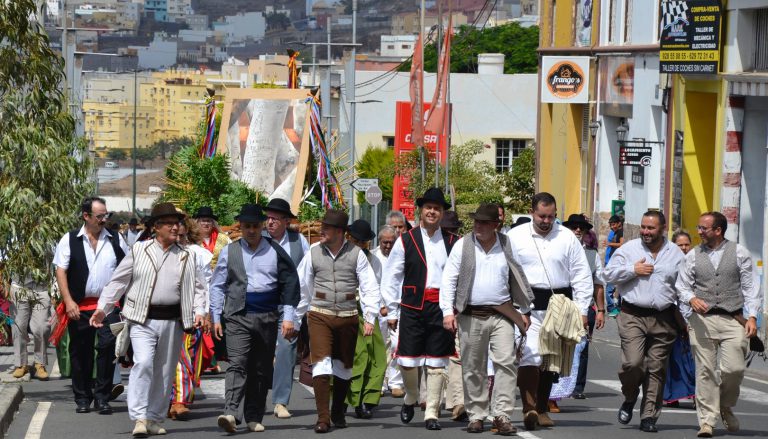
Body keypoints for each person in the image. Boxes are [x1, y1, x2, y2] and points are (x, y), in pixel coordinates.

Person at [90, 202, 207, 437]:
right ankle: (140, 417)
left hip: (173, 321)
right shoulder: (139, 250)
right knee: (143, 363)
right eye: (170, 224)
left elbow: (199, 288)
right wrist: (102, 308)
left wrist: (200, 312)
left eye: (177, 223)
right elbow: (118, 281)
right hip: (142, 320)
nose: (176, 228)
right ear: (156, 227)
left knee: (164, 371)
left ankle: (154, 417)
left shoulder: (186, 256)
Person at [440, 203, 533, 435]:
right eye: (476, 222)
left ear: (496, 225)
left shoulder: (506, 243)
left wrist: (524, 309)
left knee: (506, 363)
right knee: (473, 368)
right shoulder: (463, 245)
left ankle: (502, 415)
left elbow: (517, 275)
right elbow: (449, 279)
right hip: (471, 315)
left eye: (484, 222)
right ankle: (477, 415)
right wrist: (447, 312)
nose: (478, 226)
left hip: (502, 313)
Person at [209, 204, 301, 433]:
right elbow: (217, 286)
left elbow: (289, 284)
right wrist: (216, 316)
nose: (251, 230)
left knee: (260, 369)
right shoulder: (229, 252)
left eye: (255, 226)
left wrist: (288, 317)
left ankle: (253, 415)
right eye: (246, 226)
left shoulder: (275, 251)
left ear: (262, 227)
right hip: (237, 316)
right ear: (240, 227)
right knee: (238, 364)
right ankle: (230, 412)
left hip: (267, 317)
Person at [506, 193, 592, 431]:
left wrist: (583, 310)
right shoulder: (515, 236)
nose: (546, 221)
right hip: (525, 307)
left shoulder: (567, 238)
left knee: (549, 360)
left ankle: (542, 408)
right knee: (530, 355)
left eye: (551, 217)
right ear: (532, 212)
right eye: (541, 216)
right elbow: (505, 270)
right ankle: (529, 408)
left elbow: (581, 275)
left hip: (559, 307)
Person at [676, 211, 761, 438]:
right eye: (699, 227)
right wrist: (691, 299)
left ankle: (725, 405)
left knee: (734, 369)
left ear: (718, 230)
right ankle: (707, 421)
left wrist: (752, 316)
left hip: (733, 318)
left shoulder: (739, 252)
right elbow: (682, 285)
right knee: (705, 372)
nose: (699, 232)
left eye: (703, 228)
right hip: (702, 320)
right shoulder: (693, 255)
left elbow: (751, 286)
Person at [295, 209, 380, 433]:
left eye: (327, 228)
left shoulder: (357, 254)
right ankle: (323, 418)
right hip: (319, 314)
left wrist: (370, 316)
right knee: (321, 364)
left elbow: (369, 286)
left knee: (343, 368)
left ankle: (338, 411)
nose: (321, 231)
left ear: (340, 232)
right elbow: (302, 287)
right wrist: (295, 320)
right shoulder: (313, 252)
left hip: (348, 317)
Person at [381, 187, 457, 431]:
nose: (432, 212)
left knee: (436, 362)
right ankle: (411, 396)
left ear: (442, 213)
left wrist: (453, 310)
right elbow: (391, 277)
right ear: (421, 211)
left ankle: (432, 411)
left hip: (441, 308)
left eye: (437, 208)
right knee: (407, 361)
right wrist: (392, 311)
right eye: (428, 208)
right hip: (412, 306)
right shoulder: (406, 240)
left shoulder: (453, 241)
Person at [603, 210, 684, 433]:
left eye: (651, 228)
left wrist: (686, 317)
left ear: (663, 228)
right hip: (632, 315)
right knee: (633, 363)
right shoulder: (629, 249)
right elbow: (607, 275)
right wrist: (632, 270)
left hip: (664, 318)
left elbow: (684, 287)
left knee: (656, 369)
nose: (646, 232)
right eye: (643, 227)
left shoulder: (676, 254)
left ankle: (649, 415)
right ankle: (630, 397)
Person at [54, 196, 128, 414]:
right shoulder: (69, 240)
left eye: (106, 215)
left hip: (109, 307)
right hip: (79, 307)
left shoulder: (115, 239)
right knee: (80, 352)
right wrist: (68, 301)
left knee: (108, 348)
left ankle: (103, 396)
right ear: (86, 216)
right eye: (100, 216)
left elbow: (129, 267)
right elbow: (60, 270)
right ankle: (82, 397)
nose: (104, 219)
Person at [263, 198, 310, 420]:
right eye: (268, 218)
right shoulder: (258, 239)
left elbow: (306, 272)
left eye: (275, 218)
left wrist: (304, 305)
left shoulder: (298, 240)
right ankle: (253, 397)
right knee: (258, 353)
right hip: (262, 304)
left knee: (286, 350)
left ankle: (281, 401)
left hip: (289, 305)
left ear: (285, 221)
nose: (270, 222)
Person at [168, 219, 213, 420]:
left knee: (187, 358)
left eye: (183, 236)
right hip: (162, 316)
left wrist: (203, 313)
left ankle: (179, 400)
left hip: (188, 316)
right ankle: (173, 400)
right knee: (172, 359)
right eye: (176, 235)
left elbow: (202, 286)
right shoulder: (152, 253)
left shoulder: (193, 256)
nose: (179, 239)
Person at [345, 219, 388, 419]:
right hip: (345, 310)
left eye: (364, 242)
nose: (361, 245)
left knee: (377, 356)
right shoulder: (341, 255)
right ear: (349, 238)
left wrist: (378, 310)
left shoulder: (373, 260)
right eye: (357, 240)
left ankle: (367, 400)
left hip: (368, 311)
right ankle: (347, 399)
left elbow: (377, 287)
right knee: (354, 356)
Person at [562, 214, 606, 401]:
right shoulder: (560, 249)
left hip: (585, 306)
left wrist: (601, 311)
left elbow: (598, 284)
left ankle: (578, 386)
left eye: (581, 227)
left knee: (582, 347)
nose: (578, 230)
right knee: (559, 347)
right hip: (562, 305)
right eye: (574, 227)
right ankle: (558, 384)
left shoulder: (592, 255)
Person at [193, 206, 231, 373]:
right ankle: (206, 359)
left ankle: (214, 357)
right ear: (197, 223)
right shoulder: (192, 240)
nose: (206, 223)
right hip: (200, 284)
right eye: (203, 221)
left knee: (216, 319)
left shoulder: (223, 239)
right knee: (201, 319)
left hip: (220, 285)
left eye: (208, 220)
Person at [663, 230, 696, 409]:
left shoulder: (696, 262)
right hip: (673, 316)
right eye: (680, 245)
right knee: (674, 358)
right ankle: (672, 395)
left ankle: (697, 394)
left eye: (686, 244)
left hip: (693, 314)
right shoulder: (670, 263)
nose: (684, 248)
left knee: (694, 358)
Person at [371, 226, 403, 398]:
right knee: (380, 346)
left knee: (397, 345)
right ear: (379, 242)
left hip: (398, 308)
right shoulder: (373, 257)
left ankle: (396, 382)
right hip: (379, 310)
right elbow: (372, 285)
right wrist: (382, 306)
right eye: (385, 243)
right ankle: (379, 382)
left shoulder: (401, 255)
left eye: (391, 242)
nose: (388, 246)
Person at [8, 277, 51, 380]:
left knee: (41, 327)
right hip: (19, 286)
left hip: (41, 287)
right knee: (19, 326)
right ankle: (21, 364)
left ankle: (40, 363)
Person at [604, 215, 625, 317]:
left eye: (613, 224)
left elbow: (622, 244)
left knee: (609, 288)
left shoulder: (620, 232)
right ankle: (616, 308)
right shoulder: (615, 232)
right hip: (611, 262)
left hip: (615, 264)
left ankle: (613, 308)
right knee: (614, 287)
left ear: (618, 224)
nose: (612, 227)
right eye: (610, 225)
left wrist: (610, 244)